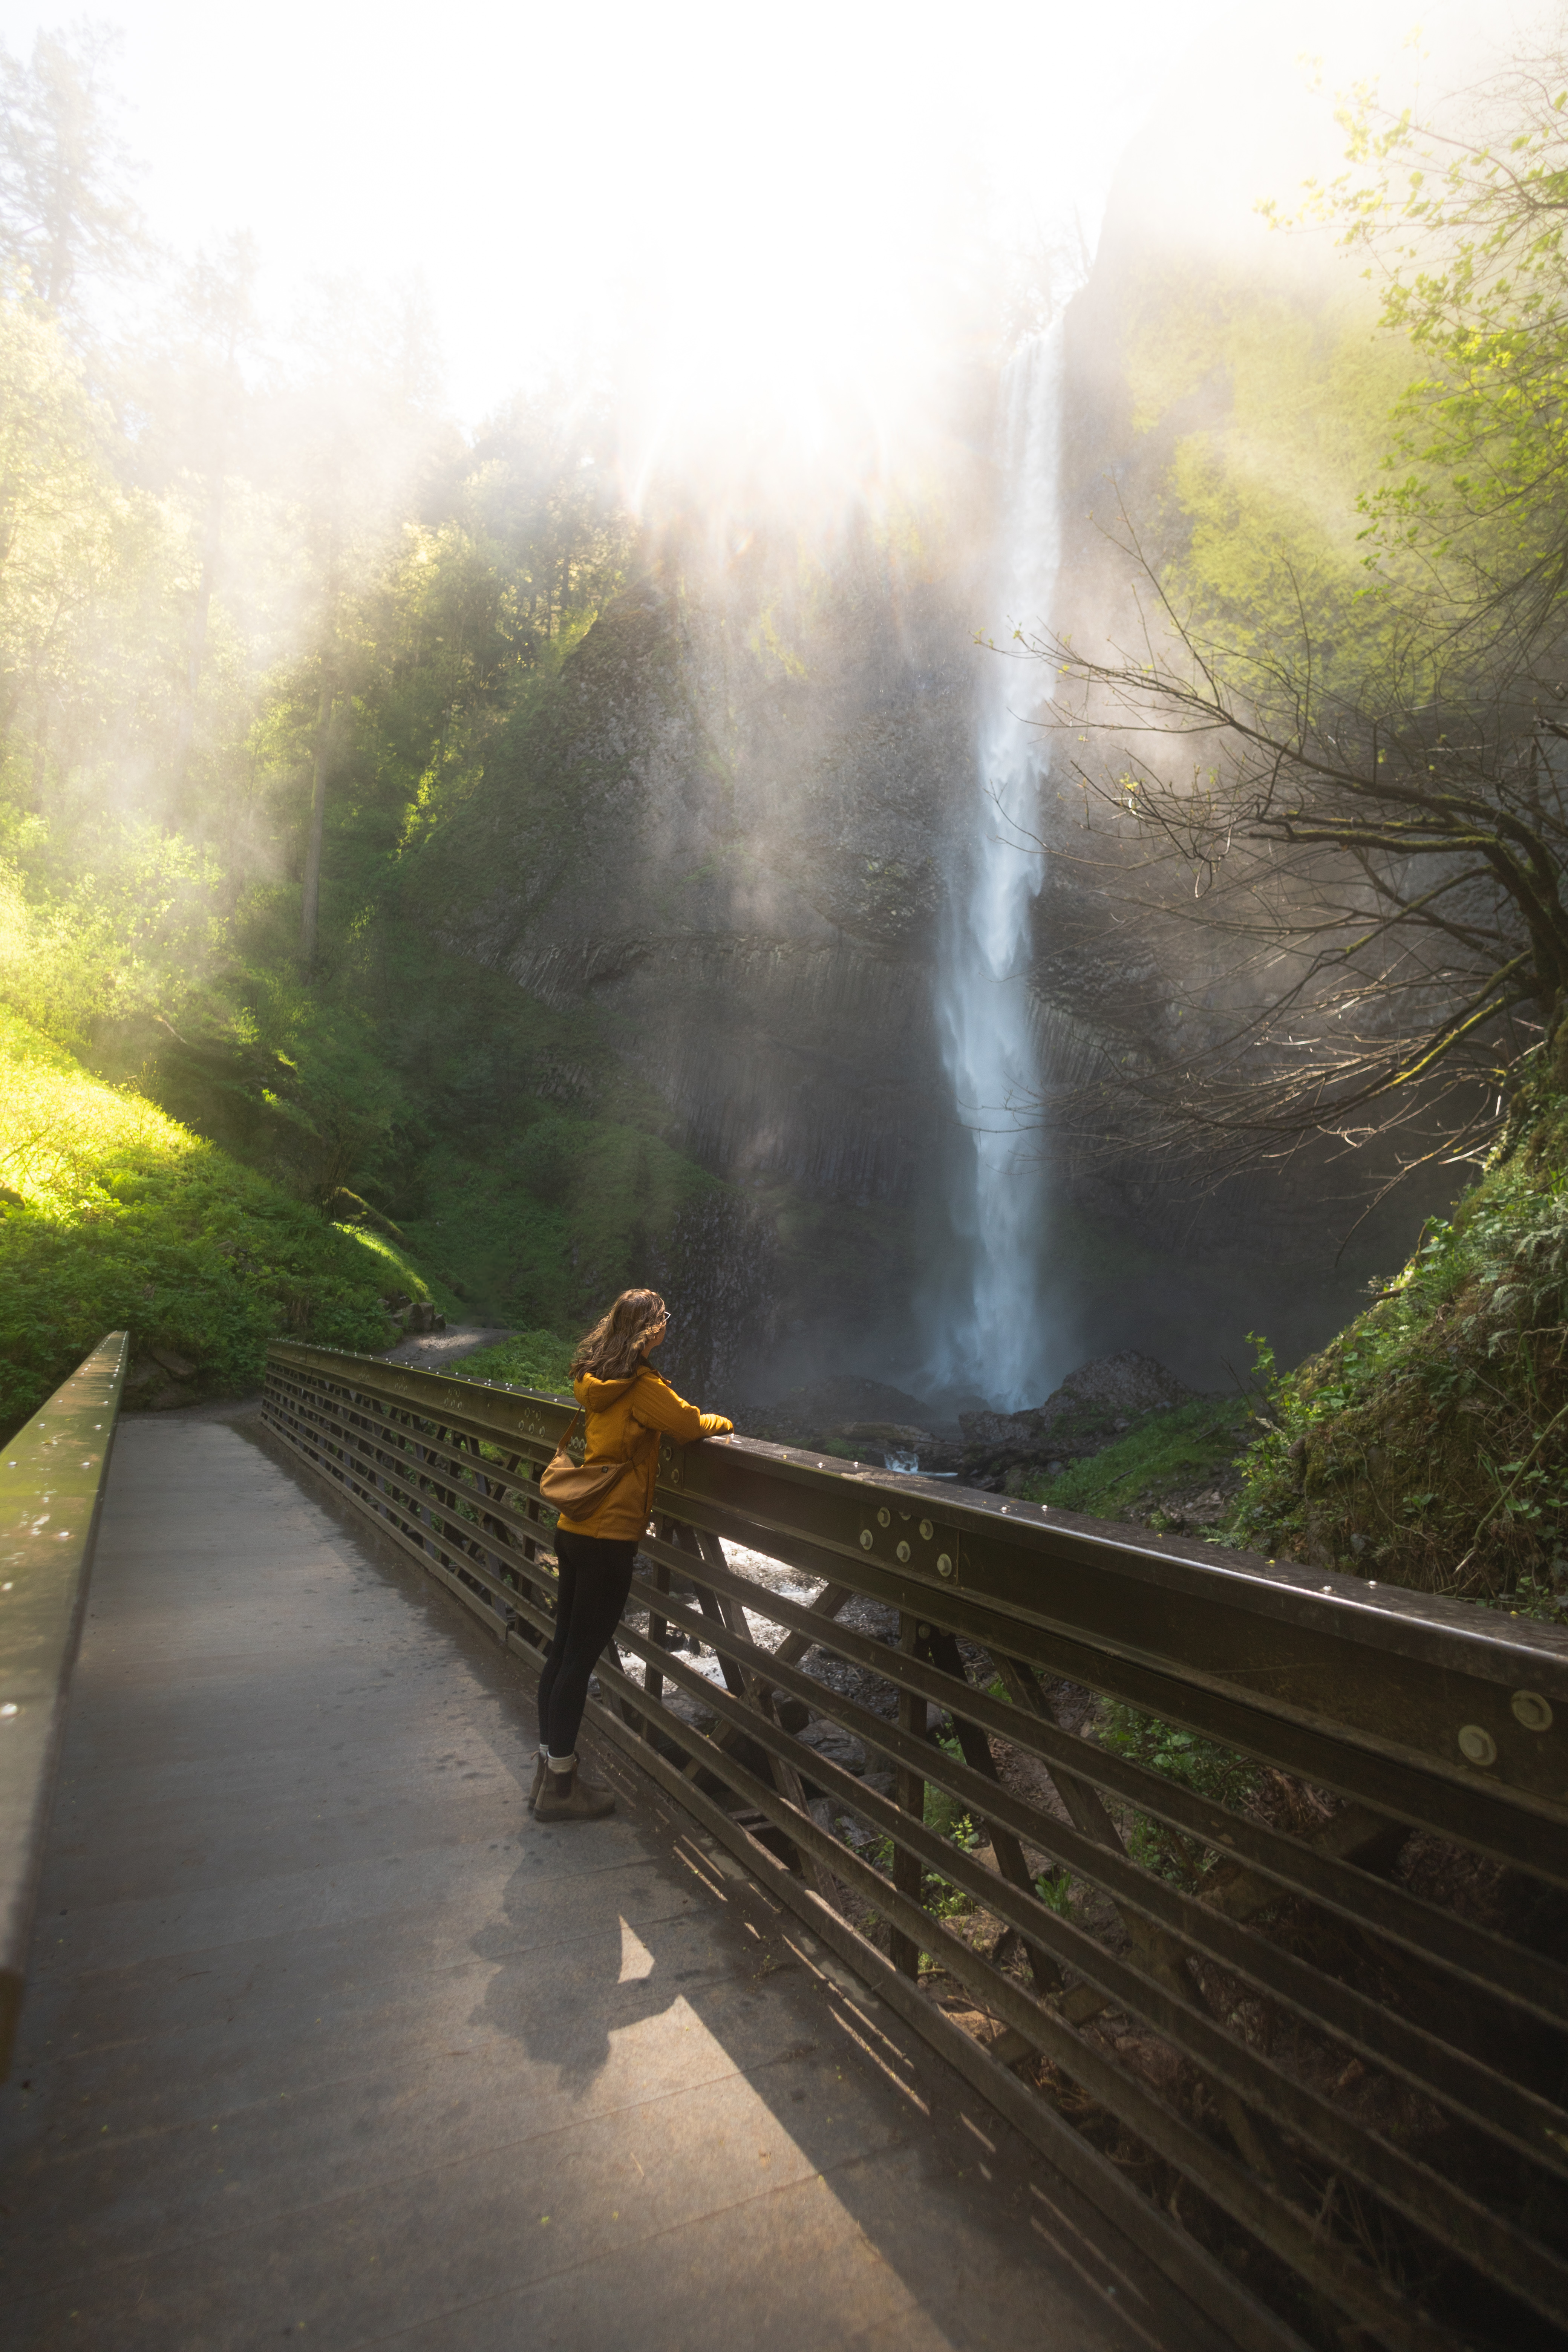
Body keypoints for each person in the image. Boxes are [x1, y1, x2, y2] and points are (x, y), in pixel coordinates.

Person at [532, 1288, 732, 1824]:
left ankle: (548, 1768)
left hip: (573, 1527)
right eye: (664, 1320)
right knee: (578, 1659)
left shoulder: (594, 1378)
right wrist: (722, 1424)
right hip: (609, 1537)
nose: (668, 1326)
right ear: (652, 1331)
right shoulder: (641, 1387)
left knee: (561, 1651)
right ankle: (560, 1786)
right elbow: (689, 1425)